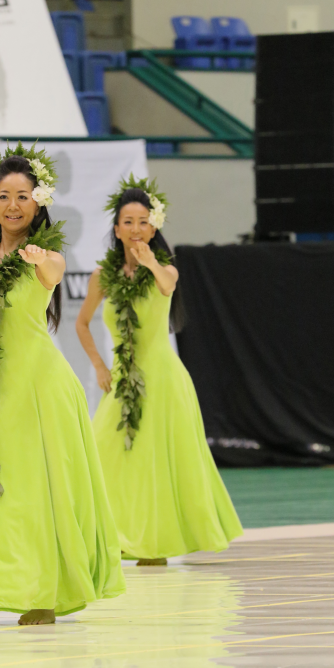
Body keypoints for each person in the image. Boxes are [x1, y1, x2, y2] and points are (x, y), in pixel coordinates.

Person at [0, 143, 125, 626]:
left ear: (38, 204)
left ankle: (44, 594)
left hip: (41, 386)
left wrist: (38, 258)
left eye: (22, 196)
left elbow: (52, 272)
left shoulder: (47, 256)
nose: (12, 205)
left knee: (39, 492)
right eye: (4, 196)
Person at [76, 176, 243, 565]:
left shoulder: (164, 269)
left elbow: (167, 286)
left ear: (154, 229)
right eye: (128, 222)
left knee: (158, 463)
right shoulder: (102, 276)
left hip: (163, 380)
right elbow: (82, 323)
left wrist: (150, 261)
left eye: (144, 222)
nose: (136, 229)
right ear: (117, 229)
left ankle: (155, 545)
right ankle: (112, 536)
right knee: (106, 455)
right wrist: (99, 365)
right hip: (122, 381)